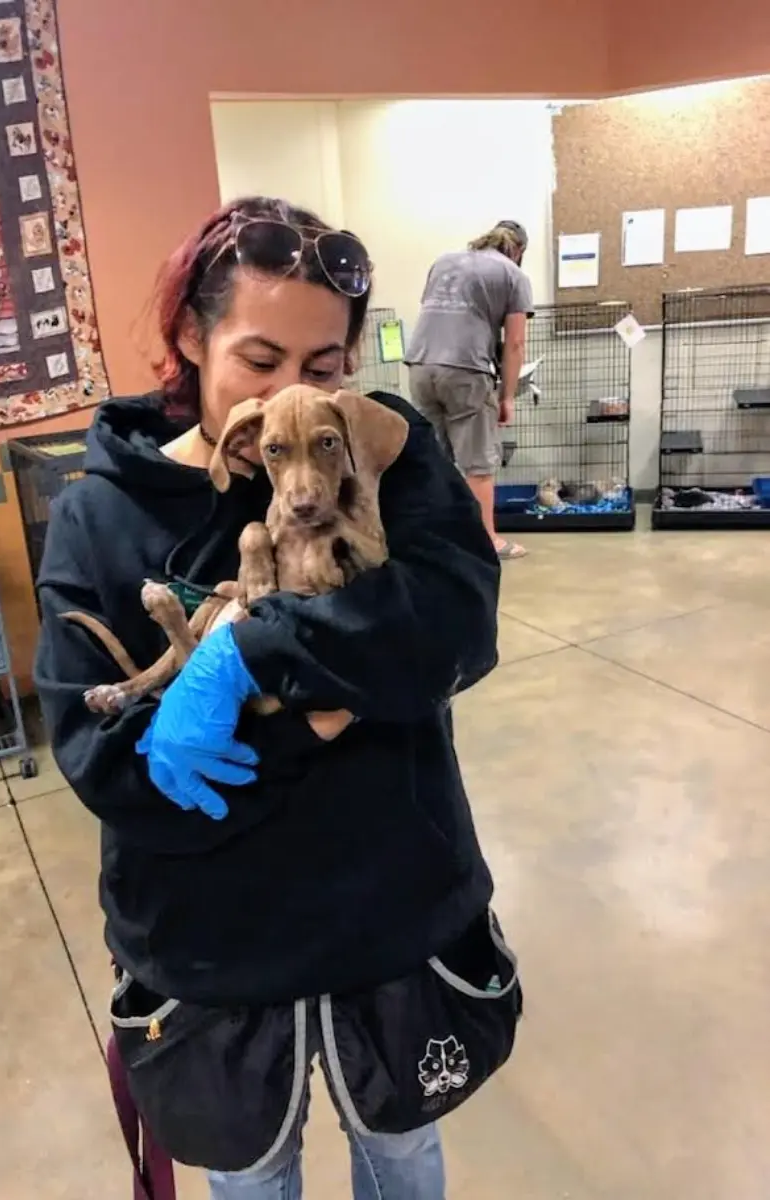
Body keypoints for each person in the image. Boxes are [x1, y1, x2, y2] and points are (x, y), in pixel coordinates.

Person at [35, 196, 521, 1200]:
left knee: (403, 1154)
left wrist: (253, 654)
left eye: (326, 366)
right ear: (189, 334)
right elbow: (108, 762)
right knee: (249, 1182)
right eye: (259, 362)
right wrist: (335, 703)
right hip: (211, 948)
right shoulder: (100, 513)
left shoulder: (386, 451)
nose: (295, 397)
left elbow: (457, 626)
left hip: (393, 917)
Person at [405, 219, 534, 561]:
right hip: (466, 369)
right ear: (518, 250)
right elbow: (516, 343)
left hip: (419, 364)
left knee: (432, 458)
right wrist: (507, 396)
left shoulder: (444, 261)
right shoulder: (513, 274)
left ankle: (430, 538)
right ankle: (487, 541)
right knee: (478, 462)